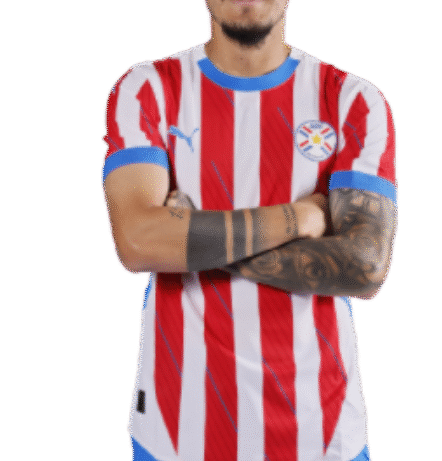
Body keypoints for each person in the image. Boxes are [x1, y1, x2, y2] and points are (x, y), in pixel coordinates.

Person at [101, 1, 397, 460]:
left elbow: (364, 266)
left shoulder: (350, 100)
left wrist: (189, 237)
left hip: (321, 435)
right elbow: (139, 241)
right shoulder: (149, 89)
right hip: (178, 433)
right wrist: (298, 219)